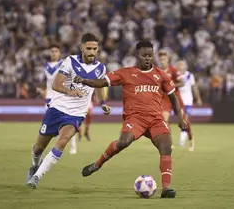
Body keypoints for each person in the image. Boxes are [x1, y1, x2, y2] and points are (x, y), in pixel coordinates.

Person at [74, 40, 188, 198]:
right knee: (123, 142)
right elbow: (102, 82)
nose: (147, 58)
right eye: (144, 55)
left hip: (156, 119)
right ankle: (97, 164)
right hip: (135, 119)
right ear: (137, 55)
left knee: (166, 147)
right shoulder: (125, 73)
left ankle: (166, 188)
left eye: (150, 55)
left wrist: (180, 118)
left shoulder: (161, 75)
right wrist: (84, 80)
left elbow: (173, 98)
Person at [27, 33, 111, 189]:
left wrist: (103, 103)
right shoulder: (70, 62)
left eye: (95, 49)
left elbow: (99, 86)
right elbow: (56, 85)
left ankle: (37, 177)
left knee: (63, 140)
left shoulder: (101, 68)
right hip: (57, 109)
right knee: (39, 147)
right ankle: (34, 165)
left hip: (77, 114)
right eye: (89, 48)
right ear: (82, 48)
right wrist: (70, 91)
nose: (92, 52)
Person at [36, 44, 78, 154]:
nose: (54, 53)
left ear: (59, 53)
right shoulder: (45, 66)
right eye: (52, 51)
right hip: (49, 98)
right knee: (51, 124)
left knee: (68, 122)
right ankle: (54, 147)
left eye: (56, 51)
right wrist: (42, 90)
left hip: (61, 97)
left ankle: (73, 146)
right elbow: (46, 82)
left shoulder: (63, 64)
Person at [175, 59, 202, 151]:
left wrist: (198, 98)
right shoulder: (175, 75)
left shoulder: (189, 75)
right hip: (178, 101)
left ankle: (183, 141)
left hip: (187, 101)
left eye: (182, 65)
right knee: (182, 121)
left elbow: (194, 87)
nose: (180, 66)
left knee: (185, 119)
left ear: (185, 66)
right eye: (179, 65)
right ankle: (189, 137)